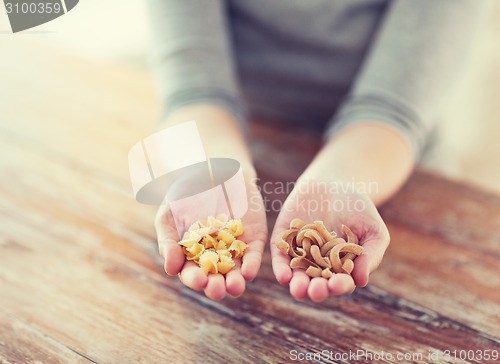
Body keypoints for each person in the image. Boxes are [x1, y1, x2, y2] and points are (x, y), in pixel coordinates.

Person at [148, 0, 485, 302]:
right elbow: (195, 94)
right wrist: (212, 170)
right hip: (251, 137)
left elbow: (390, 113)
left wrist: (340, 179)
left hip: (383, 163)